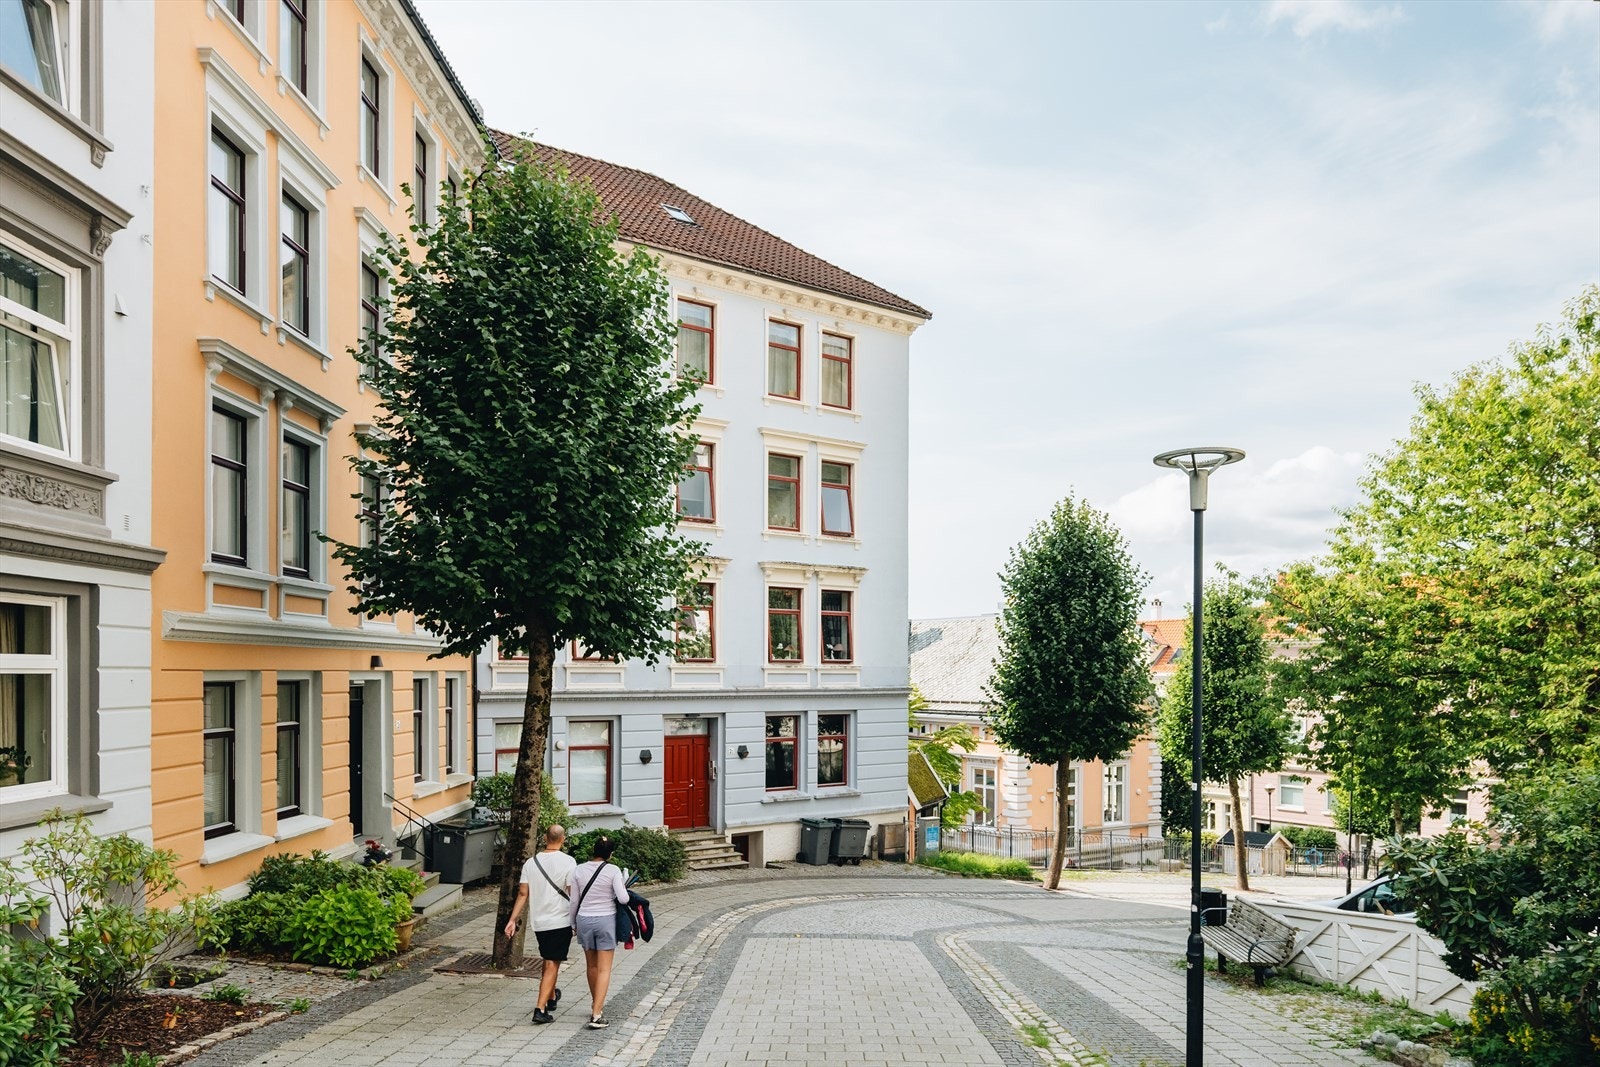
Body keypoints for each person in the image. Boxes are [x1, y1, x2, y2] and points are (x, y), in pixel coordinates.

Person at [503, 824, 577, 1025]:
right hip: (560, 920)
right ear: (562, 839)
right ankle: (540, 1008)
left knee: (549, 959)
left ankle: (551, 996)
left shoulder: (530, 863)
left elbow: (523, 894)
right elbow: (572, 891)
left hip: (540, 922)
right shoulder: (569, 862)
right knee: (553, 963)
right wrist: (577, 916)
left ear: (545, 838)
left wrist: (512, 920)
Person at [569, 835, 630, 1030]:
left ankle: (596, 1004)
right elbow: (623, 898)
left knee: (591, 965)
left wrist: (573, 923)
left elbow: (574, 901)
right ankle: (596, 1014)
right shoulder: (612, 870)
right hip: (605, 920)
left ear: (593, 851)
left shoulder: (578, 869)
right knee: (605, 968)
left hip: (584, 919)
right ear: (610, 855)